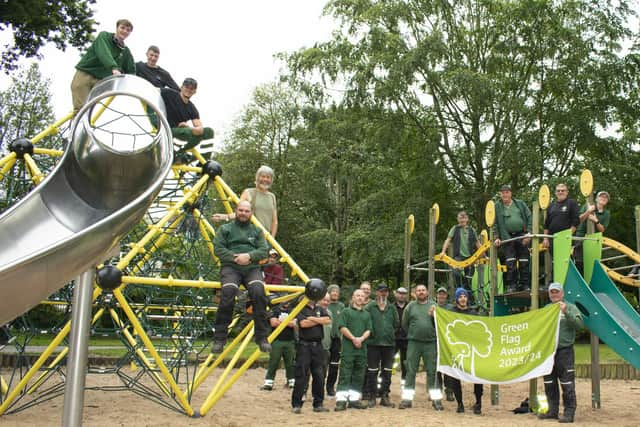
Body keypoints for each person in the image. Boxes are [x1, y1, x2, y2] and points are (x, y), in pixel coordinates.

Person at [211, 200, 271, 354]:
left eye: (247, 211)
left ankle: (262, 337)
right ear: (236, 211)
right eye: (241, 210)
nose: (243, 213)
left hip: (251, 268)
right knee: (228, 292)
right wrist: (234, 257)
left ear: (251, 213)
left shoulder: (257, 231)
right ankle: (219, 338)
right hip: (231, 267)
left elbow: (264, 251)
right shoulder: (225, 229)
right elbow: (218, 249)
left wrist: (249, 256)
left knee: (258, 291)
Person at [539, 282, 584, 423]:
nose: (554, 294)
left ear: (562, 293)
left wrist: (566, 312)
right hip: (548, 352)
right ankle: (552, 411)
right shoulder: (546, 309)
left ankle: (569, 413)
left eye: (556, 292)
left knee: (567, 383)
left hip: (565, 351)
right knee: (549, 382)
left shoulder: (570, 307)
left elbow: (580, 326)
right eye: (552, 292)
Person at [70, 19, 135, 111]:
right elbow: (104, 53)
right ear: (117, 28)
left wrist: (131, 85)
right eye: (122, 28)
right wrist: (114, 68)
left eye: (128, 30)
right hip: (86, 74)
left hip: (101, 82)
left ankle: (87, 123)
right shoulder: (104, 36)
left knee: (93, 113)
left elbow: (131, 71)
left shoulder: (125, 52)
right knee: (81, 109)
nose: (124, 31)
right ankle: (76, 122)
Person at [399, 283, 442, 411]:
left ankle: (436, 400)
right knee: (410, 371)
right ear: (415, 293)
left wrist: (433, 316)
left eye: (423, 290)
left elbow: (440, 323)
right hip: (414, 343)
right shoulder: (410, 307)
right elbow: (404, 324)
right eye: (418, 290)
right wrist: (413, 334)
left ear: (427, 292)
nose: (421, 292)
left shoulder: (434, 306)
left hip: (431, 343)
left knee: (432, 372)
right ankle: (407, 399)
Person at [291, 294, 331, 414]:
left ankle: (318, 404)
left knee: (319, 375)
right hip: (304, 346)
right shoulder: (300, 308)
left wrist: (312, 319)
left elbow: (328, 320)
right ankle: (297, 404)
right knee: (301, 375)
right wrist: (319, 321)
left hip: (318, 346)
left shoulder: (320, 308)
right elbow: (303, 324)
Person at [446, 288, 484, 415]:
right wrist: (433, 315)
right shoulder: (450, 312)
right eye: (460, 296)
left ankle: (478, 403)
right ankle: (460, 404)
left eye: (465, 296)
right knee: (455, 376)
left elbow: (481, 328)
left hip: (473, 349)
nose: (463, 298)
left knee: (477, 376)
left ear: (467, 298)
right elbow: (440, 324)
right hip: (457, 349)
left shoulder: (473, 313)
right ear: (456, 298)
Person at [212, 166, 278, 238]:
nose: (265, 179)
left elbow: (274, 221)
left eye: (268, 177)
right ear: (257, 177)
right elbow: (239, 213)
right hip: (249, 237)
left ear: (271, 180)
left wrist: (272, 239)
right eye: (263, 176)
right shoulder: (248, 192)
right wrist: (224, 217)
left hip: (266, 238)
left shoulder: (272, 196)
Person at [334, 289, 371, 411]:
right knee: (345, 374)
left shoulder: (366, 314)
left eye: (362, 296)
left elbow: (369, 330)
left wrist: (361, 339)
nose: (360, 298)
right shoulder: (346, 312)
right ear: (353, 298)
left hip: (361, 350)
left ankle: (354, 400)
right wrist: (354, 338)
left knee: (358, 375)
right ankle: (341, 401)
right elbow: (342, 327)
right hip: (348, 349)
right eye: (357, 296)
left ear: (365, 299)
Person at [363, 283, 399, 408]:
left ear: (388, 293)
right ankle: (372, 396)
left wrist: (388, 334)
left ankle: (384, 396)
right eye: (381, 291)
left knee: (387, 371)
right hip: (373, 344)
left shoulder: (392, 308)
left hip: (389, 345)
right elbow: (365, 322)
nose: (383, 293)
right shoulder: (370, 307)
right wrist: (373, 333)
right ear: (377, 293)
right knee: (372, 371)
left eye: (386, 291)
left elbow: (396, 324)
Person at [493, 184, 533, 293]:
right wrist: (496, 237)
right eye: (503, 193)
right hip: (507, 237)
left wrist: (528, 233)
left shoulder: (519, 204)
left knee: (524, 260)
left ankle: (525, 285)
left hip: (521, 235)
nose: (505, 194)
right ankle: (512, 285)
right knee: (510, 262)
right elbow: (494, 223)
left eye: (507, 192)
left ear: (511, 193)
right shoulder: (497, 206)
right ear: (500, 194)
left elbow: (530, 217)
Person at [160, 77, 214, 154]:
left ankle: (202, 161)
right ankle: (174, 153)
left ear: (194, 91)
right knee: (188, 133)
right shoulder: (169, 93)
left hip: (181, 131)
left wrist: (188, 127)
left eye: (191, 89)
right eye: (187, 87)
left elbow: (199, 127)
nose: (189, 90)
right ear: (181, 87)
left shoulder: (192, 108)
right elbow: (151, 90)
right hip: (166, 129)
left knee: (209, 131)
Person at [439, 211, 482, 290]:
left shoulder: (472, 230)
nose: (462, 220)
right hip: (458, 256)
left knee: (469, 278)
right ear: (458, 219)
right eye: (460, 218)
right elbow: (448, 240)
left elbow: (478, 243)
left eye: (464, 218)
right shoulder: (455, 228)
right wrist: (443, 252)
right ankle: (459, 288)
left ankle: (469, 296)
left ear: (467, 219)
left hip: (470, 257)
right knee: (456, 272)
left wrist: (484, 255)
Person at [261, 300, 296, 391]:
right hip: (276, 340)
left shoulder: (292, 311)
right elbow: (273, 323)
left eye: (288, 301)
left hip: (289, 341)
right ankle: (269, 382)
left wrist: (281, 321)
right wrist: (287, 322)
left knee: (290, 363)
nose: (287, 302)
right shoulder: (274, 310)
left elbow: (294, 324)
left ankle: (291, 381)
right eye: (285, 300)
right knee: (274, 362)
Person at [574, 191, 611, 273]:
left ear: (607, 201)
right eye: (601, 196)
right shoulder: (587, 206)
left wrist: (596, 220)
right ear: (596, 199)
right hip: (581, 236)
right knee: (579, 262)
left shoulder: (606, 213)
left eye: (605, 197)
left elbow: (602, 229)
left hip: (594, 240)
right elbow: (579, 220)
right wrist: (588, 211)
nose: (603, 198)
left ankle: (590, 283)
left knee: (592, 263)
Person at [543, 183, 580, 256]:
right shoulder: (551, 206)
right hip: (553, 239)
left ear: (567, 192)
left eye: (563, 190)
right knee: (555, 262)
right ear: (555, 193)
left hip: (566, 238)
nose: (560, 192)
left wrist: (568, 235)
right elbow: (546, 225)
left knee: (566, 262)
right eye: (558, 191)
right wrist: (545, 239)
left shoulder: (571, 203)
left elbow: (576, 221)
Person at [435, 286, 454, 402]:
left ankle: (449, 391)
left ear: (446, 296)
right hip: (435, 340)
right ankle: (437, 391)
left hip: (447, 341)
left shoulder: (451, 308)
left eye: (443, 294)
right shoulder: (433, 307)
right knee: (436, 367)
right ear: (436, 295)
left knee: (448, 367)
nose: (441, 296)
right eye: (439, 294)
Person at [325, 284, 345, 397]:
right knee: (322, 364)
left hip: (337, 339)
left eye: (337, 292)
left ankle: (330, 387)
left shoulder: (341, 306)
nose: (335, 294)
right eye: (333, 291)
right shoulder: (325, 305)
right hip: (326, 338)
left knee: (334, 365)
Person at [393, 287, 409, 387]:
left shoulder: (410, 307)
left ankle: (405, 384)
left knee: (406, 364)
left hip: (406, 339)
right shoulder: (391, 307)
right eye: (400, 293)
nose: (402, 295)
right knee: (388, 363)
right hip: (393, 339)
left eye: (404, 293)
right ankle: (383, 388)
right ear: (396, 294)